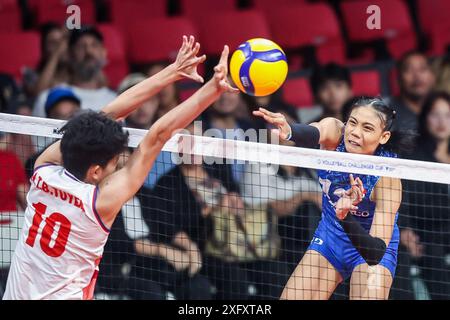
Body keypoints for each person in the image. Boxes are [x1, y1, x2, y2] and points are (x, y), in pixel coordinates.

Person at [3, 35, 236, 300]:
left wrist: (174, 71)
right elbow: (156, 136)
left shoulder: (43, 170)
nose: (118, 162)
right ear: (96, 172)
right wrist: (211, 89)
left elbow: (108, 117)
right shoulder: (99, 202)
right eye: (114, 160)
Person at [254, 97, 413, 299]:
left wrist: (345, 216)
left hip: (369, 245)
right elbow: (315, 131)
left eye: (367, 128)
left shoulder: (387, 179)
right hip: (330, 237)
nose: (355, 132)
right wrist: (290, 130)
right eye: (353, 122)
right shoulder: (335, 133)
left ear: (383, 137)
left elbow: (375, 254)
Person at [401, 91, 450, 299]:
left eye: (448, 115)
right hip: (429, 232)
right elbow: (403, 197)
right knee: (432, 252)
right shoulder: (415, 157)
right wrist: (404, 228)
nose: (442, 122)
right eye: (435, 115)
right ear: (424, 118)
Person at [33, 26, 116, 118]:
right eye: (81, 46)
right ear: (69, 54)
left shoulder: (116, 100)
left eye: (94, 45)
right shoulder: (47, 98)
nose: (88, 51)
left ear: (104, 52)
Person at [389, 51, 436, 131]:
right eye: (409, 70)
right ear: (398, 80)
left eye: (422, 69)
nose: (417, 76)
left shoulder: (445, 106)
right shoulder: (386, 114)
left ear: (433, 77)